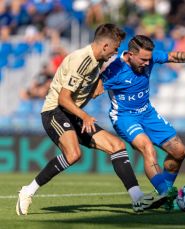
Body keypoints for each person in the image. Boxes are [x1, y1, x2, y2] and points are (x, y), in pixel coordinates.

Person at [16, 24, 165, 216]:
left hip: (73, 113)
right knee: (73, 154)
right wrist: (85, 115)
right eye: (115, 48)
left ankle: (137, 199)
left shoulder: (95, 61)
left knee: (117, 146)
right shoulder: (83, 60)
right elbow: (63, 98)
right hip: (55, 111)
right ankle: (28, 191)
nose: (116, 52)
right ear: (104, 46)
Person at [101, 35, 185, 210]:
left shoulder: (150, 57)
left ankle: (166, 194)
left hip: (148, 113)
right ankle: (166, 194)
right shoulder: (114, 70)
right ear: (130, 55)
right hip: (124, 117)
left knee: (179, 151)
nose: (148, 63)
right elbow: (93, 89)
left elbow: (173, 56)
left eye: (149, 59)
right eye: (143, 59)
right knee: (148, 148)